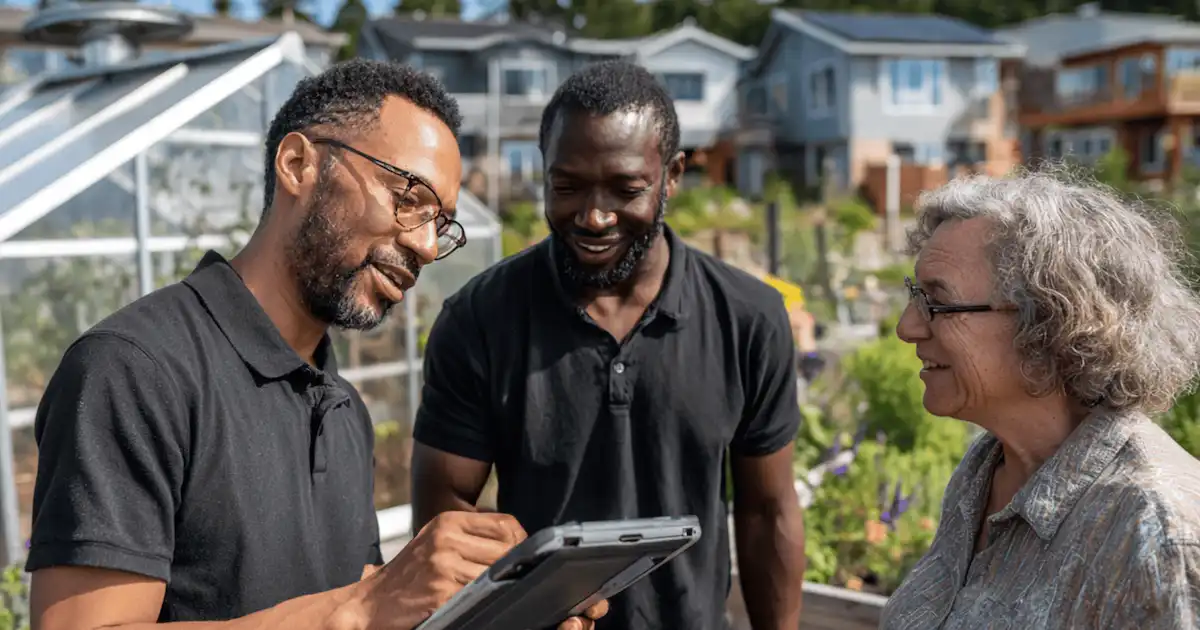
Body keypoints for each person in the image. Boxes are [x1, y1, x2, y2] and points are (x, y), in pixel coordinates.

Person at [26, 59, 605, 630]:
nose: (428, 246)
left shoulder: (342, 409)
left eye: (442, 223)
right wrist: (362, 606)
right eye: (409, 198)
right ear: (299, 164)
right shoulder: (134, 369)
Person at [410, 60, 806, 630]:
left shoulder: (748, 318)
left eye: (626, 188)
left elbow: (768, 513)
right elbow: (445, 518)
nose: (594, 216)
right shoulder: (479, 321)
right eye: (566, 186)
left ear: (671, 176)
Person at [880, 169, 1200, 629]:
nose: (906, 328)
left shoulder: (1158, 531)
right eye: (915, 296)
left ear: (1052, 322)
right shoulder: (985, 470)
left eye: (938, 302)